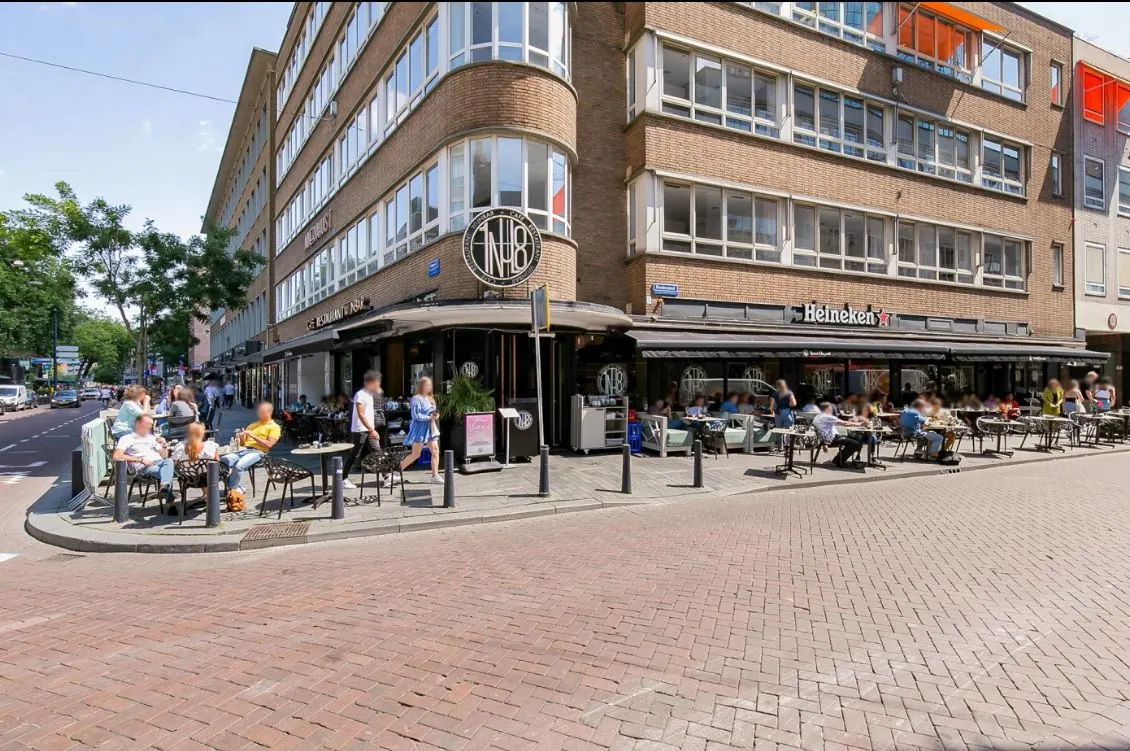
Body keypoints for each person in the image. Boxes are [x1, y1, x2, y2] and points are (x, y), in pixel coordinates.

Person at [112, 413, 175, 510]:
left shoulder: (151, 438)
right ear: (138, 424)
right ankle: (170, 502)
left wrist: (164, 445)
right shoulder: (127, 438)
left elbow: (164, 456)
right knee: (167, 472)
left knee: (169, 461)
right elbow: (117, 455)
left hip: (160, 462)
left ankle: (165, 487)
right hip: (144, 466)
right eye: (148, 424)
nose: (150, 426)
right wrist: (140, 460)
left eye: (151, 424)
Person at [221, 401, 280, 492]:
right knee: (223, 460)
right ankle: (231, 483)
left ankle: (233, 490)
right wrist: (240, 438)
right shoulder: (253, 424)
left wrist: (253, 436)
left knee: (239, 466)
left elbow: (269, 444)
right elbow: (243, 443)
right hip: (244, 450)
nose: (259, 413)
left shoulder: (274, 427)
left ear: (269, 412)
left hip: (259, 452)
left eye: (262, 412)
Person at [342, 371, 384, 489]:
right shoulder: (361, 395)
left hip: (368, 429)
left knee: (377, 452)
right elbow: (361, 414)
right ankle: (343, 479)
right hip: (361, 429)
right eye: (377, 382)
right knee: (355, 454)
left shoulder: (370, 395)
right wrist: (371, 430)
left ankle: (386, 477)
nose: (379, 384)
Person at [399, 376, 442, 484]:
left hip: (430, 428)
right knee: (416, 454)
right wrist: (429, 417)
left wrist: (436, 416)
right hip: (419, 429)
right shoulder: (416, 398)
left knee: (435, 451)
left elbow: (433, 412)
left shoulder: (431, 398)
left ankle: (435, 476)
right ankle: (397, 470)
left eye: (429, 385)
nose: (429, 387)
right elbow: (415, 415)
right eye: (426, 385)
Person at [812, 402, 863, 467]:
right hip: (832, 439)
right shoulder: (828, 417)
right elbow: (845, 423)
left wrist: (824, 442)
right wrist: (860, 424)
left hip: (824, 439)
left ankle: (847, 459)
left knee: (854, 438)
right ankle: (838, 461)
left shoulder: (817, 417)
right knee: (856, 443)